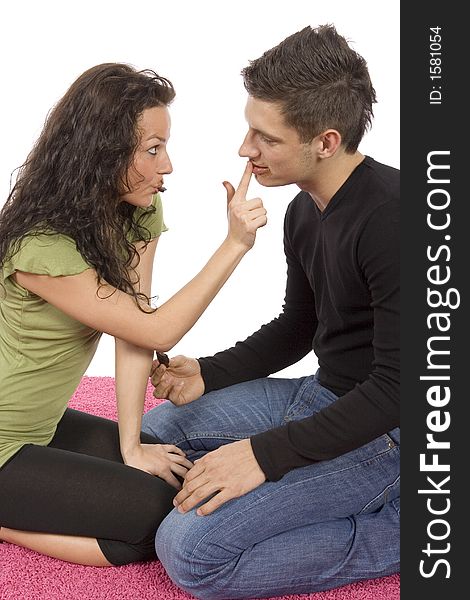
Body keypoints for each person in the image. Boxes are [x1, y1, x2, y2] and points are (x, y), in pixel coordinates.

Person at [142, 24, 400, 599]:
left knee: (190, 554)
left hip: (394, 433)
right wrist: (207, 371)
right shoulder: (304, 210)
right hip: (324, 395)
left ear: (326, 142)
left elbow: (400, 388)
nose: (244, 150)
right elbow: (299, 326)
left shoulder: (395, 219)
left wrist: (264, 456)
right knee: (154, 435)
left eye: (265, 137)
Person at [0, 63, 267, 567]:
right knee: (153, 521)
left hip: (42, 423)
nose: (167, 166)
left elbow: (135, 329)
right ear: (102, 153)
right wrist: (234, 245)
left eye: (163, 147)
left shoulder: (139, 210)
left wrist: (130, 446)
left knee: (182, 481)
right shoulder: (41, 247)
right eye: (152, 149)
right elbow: (157, 327)